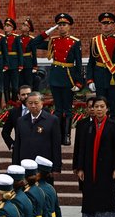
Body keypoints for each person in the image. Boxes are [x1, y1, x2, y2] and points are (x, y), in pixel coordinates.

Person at [31, 13, 83, 146]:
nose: (61, 27)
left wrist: (79, 82)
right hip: (55, 77)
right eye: (59, 25)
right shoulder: (53, 40)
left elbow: (78, 64)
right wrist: (47, 32)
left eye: (64, 25)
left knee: (67, 109)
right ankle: (58, 135)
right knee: (58, 109)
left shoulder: (75, 42)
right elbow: (33, 43)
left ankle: (66, 136)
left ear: (69, 26)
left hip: (68, 77)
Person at [76, 96, 115, 217]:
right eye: (96, 107)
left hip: (107, 171)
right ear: (92, 109)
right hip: (90, 170)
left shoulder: (113, 126)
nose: (99, 109)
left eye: (102, 106)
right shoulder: (87, 126)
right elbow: (82, 149)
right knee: (90, 200)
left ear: (107, 108)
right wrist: (80, 168)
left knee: (105, 200)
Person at [86, 13, 115, 122]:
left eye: (109, 23)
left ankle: (112, 133)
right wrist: (90, 80)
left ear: (113, 25)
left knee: (113, 107)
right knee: (100, 107)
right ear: (101, 25)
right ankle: (100, 133)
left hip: (114, 77)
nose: (106, 26)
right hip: (99, 77)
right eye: (104, 23)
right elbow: (91, 62)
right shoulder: (95, 41)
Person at [12, 92, 62, 177]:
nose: (33, 106)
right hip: (25, 165)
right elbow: (17, 144)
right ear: (26, 104)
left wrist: (56, 167)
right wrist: (15, 165)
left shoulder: (52, 120)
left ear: (42, 103)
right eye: (30, 103)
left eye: (36, 103)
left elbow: (56, 145)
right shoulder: (21, 121)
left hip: (44, 166)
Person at [1, 85, 32, 151]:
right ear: (19, 96)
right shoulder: (14, 112)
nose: (26, 96)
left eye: (28, 94)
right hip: (20, 150)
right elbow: (5, 132)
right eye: (23, 94)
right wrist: (12, 145)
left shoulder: (42, 111)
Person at [3, 18, 24, 102]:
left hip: (14, 64)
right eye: (5, 25)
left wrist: (21, 64)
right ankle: (8, 103)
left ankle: (14, 101)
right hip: (5, 64)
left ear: (12, 28)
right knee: (6, 85)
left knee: (15, 85)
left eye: (8, 26)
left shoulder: (16, 38)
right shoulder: (3, 38)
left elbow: (20, 52)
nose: (5, 27)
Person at [19, 18, 38, 90]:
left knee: (28, 81)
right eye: (23, 24)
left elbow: (34, 54)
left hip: (28, 62)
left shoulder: (31, 39)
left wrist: (35, 66)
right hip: (19, 63)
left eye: (25, 25)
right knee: (20, 82)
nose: (23, 26)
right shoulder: (18, 38)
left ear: (28, 29)